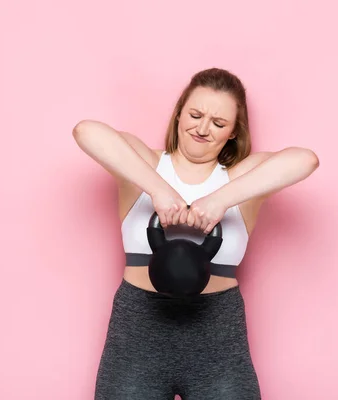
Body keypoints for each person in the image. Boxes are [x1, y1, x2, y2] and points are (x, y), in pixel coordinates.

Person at [73, 67, 320, 399]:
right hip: (138, 332)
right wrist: (158, 190)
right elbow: (86, 131)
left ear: (233, 132)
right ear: (178, 114)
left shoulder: (238, 180)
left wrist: (220, 200)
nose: (203, 128)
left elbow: (305, 160)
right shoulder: (144, 165)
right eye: (195, 114)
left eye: (219, 123)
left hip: (217, 333)